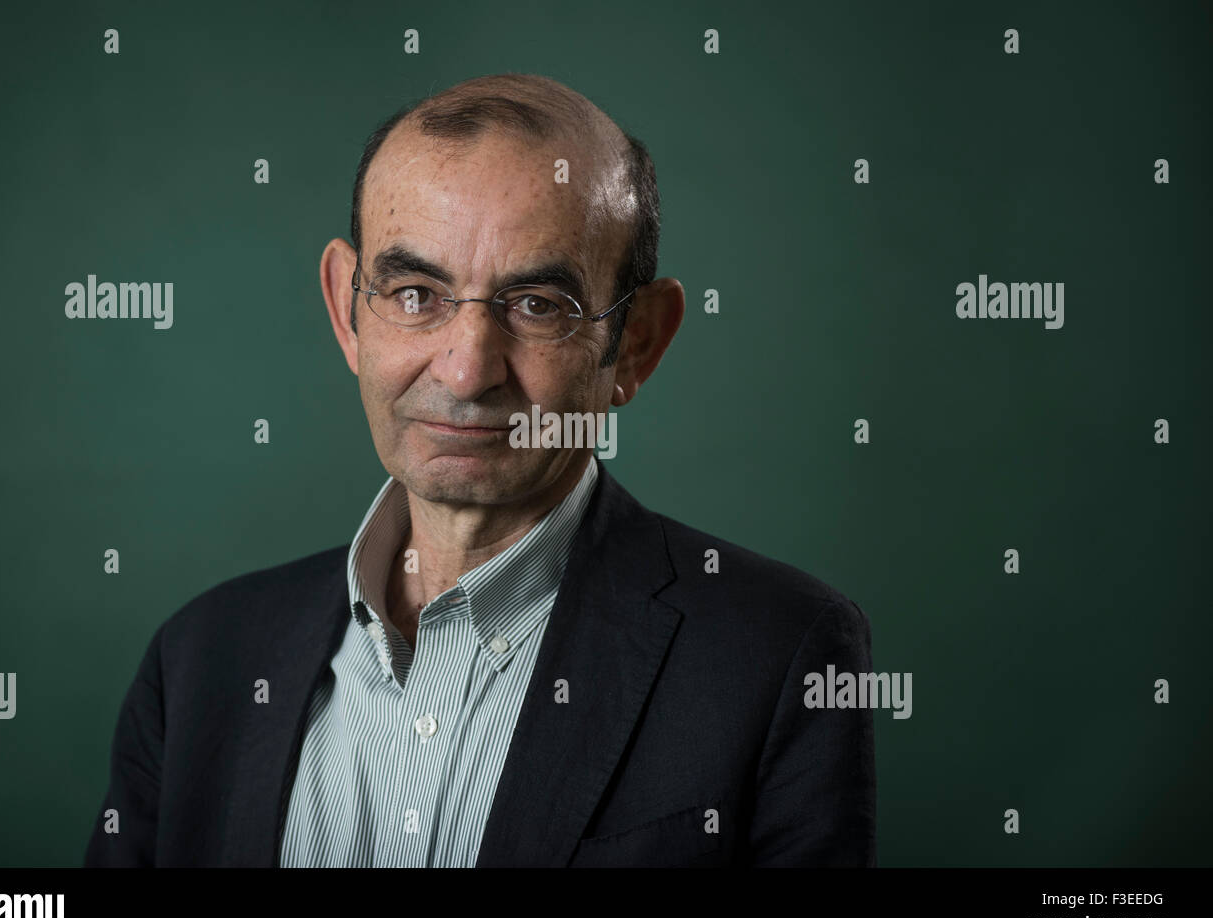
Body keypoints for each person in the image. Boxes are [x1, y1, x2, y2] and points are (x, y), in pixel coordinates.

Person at [84, 72, 875, 868]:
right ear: (346, 308)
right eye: (416, 292)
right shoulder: (199, 662)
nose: (466, 372)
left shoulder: (778, 659)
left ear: (636, 342)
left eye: (536, 304)